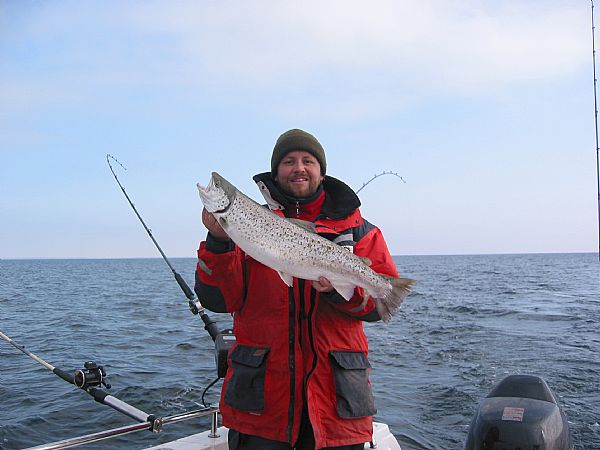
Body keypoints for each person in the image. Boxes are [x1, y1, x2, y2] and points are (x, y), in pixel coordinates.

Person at [194, 129, 400, 450]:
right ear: (276, 172)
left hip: (336, 409)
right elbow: (218, 300)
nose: (299, 168)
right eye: (289, 161)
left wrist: (336, 291)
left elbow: (375, 309)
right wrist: (219, 241)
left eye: (308, 161)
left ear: (321, 171)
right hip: (261, 409)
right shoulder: (247, 224)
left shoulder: (361, 231)